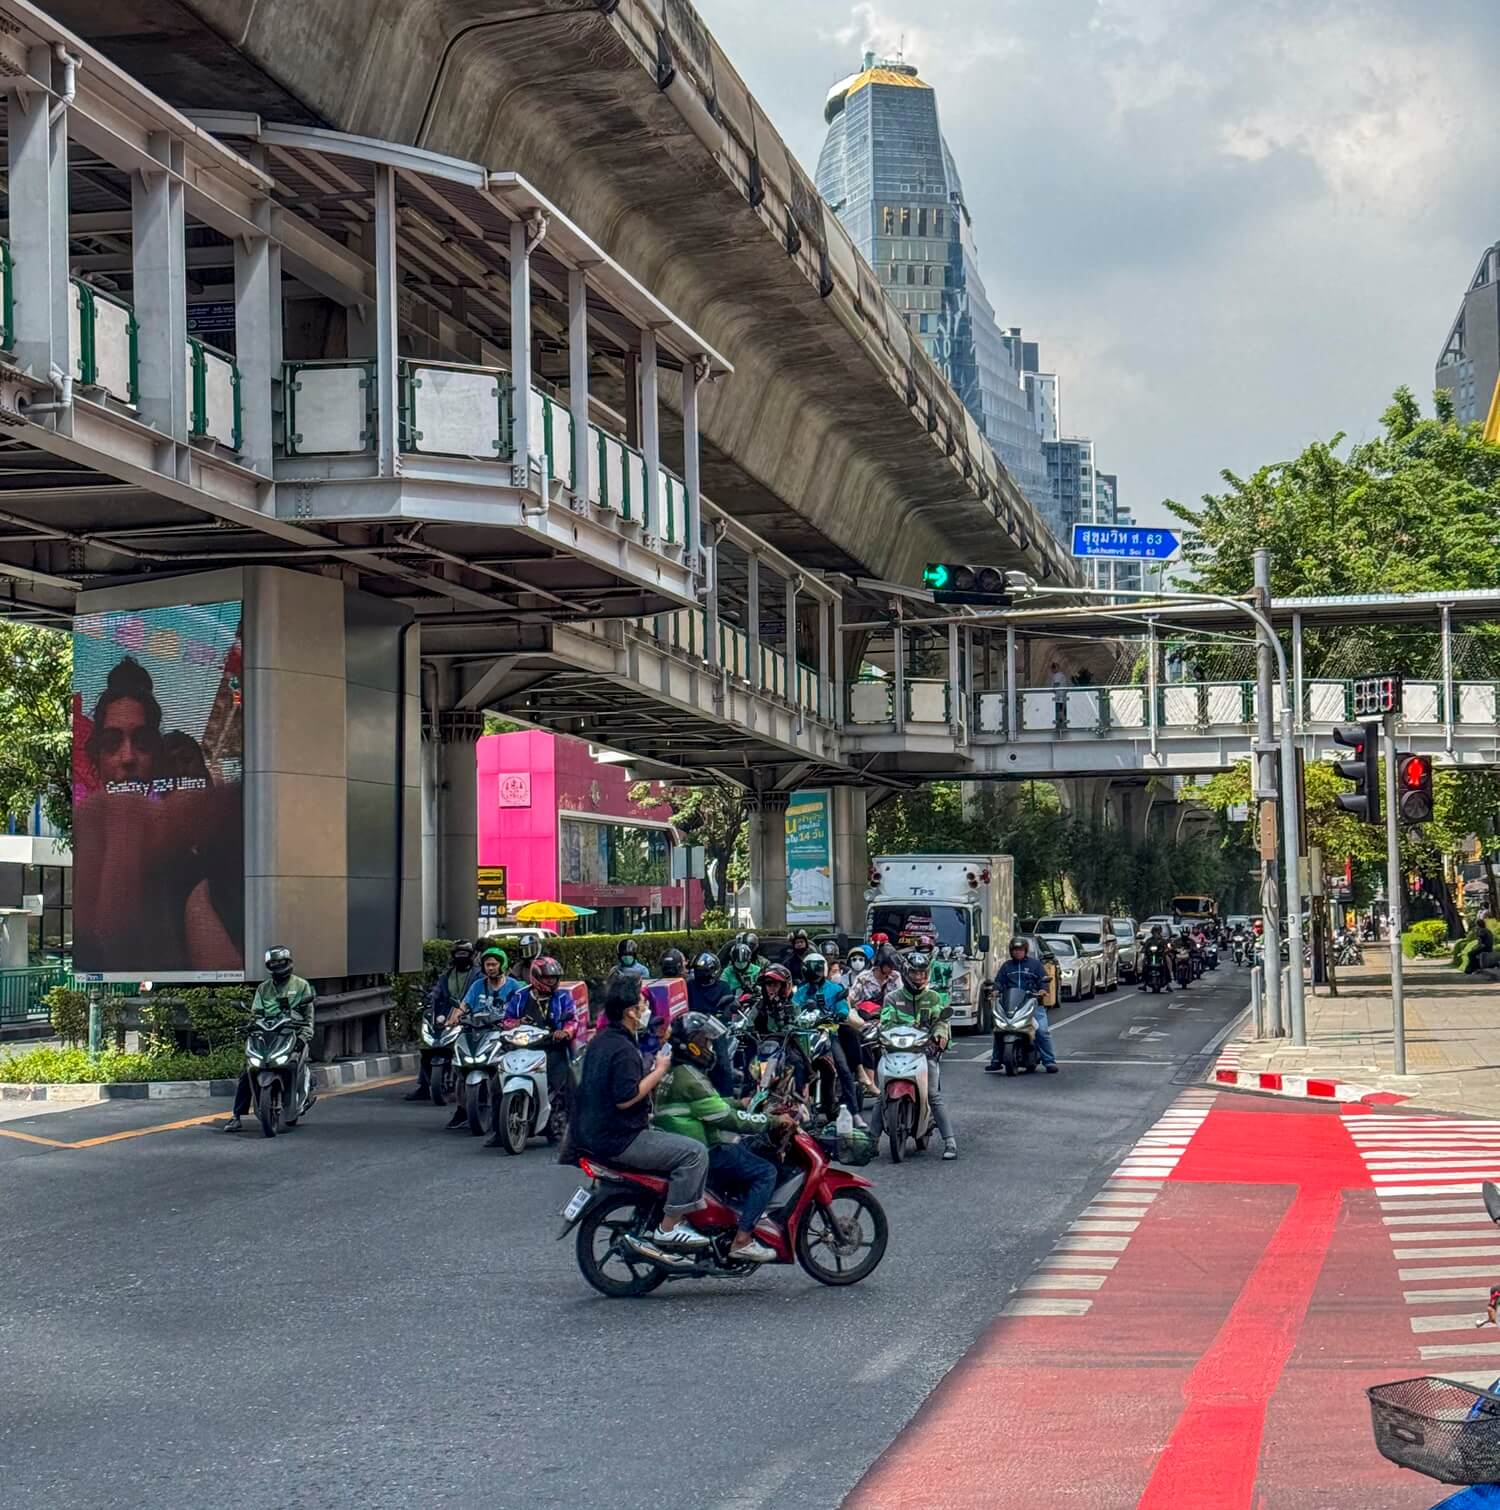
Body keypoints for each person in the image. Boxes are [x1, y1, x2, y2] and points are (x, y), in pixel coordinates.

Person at [573, 975, 710, 1249]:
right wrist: (659, 1071)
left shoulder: (603, 1040)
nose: (647, 1007)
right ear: (630, 1012)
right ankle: (670, 1226)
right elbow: (625, 1099)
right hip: (620, 1139)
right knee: (695, 1153)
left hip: (597, 1132)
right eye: (642, 1003)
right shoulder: (622, 1049)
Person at [654, 1012, 784, 1262]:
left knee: (743, 1154)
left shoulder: (676, 1071)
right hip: (703, 1149)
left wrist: (739, 1102)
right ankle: (742, 1240)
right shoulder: (691, 1078)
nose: (710, 1046)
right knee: (765, 1171)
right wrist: (772, 1121)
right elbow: (727, 1120)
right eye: (705, 1041)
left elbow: (706, 1106)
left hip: (681, 1143)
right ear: (692, 1044)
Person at [869, 951, 957, 1160]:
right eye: (915, 973)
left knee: (933, 1095)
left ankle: (950, 1141)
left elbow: (941, 1021)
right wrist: (878, 1035)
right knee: (882, 1096)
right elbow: (886, 1022)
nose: (918, 977)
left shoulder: (933, 997)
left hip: (925, 1052)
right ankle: (871, 1142)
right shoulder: (893, 998)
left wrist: (940, 1035)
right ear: (907, 973)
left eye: (922, 973)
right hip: (896, 1051)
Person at [222, 947, 315, 1133]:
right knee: (247, 1071)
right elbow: (255, 1014)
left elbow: (309, 1019)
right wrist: (249, 1025)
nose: (278, 966)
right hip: (268, 1035)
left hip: (291, 1034)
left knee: (295, 1063)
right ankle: (236, 1116)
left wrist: (303, 1037)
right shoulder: (263, 988)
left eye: (280, 962)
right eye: (273, 964)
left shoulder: (301, 986)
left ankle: (299, 1099)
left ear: (288, 963)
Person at [494, 956, 578, 1147]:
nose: (552, 981)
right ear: (536, 977)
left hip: (552, 1048)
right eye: (548, 978)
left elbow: (572, 1020)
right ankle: (499, 1132)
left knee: (564, 1084)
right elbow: (506, 1020)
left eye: (554, 978)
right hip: (522, 1047)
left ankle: (561, 1127)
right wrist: (517, 1023)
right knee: (496, 1086)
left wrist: (564, 1031)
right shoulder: (521, 996)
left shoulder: (563, 997)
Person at [444, 947, 521, 1128]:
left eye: (494, 964)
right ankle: (462, 1109)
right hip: (475, 1031)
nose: (490, 968)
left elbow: (521, 1007)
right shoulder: (477, 985)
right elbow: (464, 1005)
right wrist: (453, 1019)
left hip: (501, 1034)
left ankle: (508, 1106)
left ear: (502, 965)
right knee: (461, 1068)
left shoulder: (513, 986)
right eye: (487, 965)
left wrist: (515, 1022)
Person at [792, 952, 864, 1123]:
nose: (814, 974)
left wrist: (839, 1014)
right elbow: (793, 1009)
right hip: (804, 1036)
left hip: (827, 1035)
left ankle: (854, 1113)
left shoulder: (835, 988)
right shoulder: (800, 992)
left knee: (843, 1069)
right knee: (792, 1067)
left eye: (817, 970)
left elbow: (843, 1008)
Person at [405, 939, 477, 1102]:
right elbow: (436, 992)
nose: (461, 957)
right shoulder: (446, 976)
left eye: (465, 954)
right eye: (458, 954)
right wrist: (430, 1000)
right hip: (446, 1016)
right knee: (427, 1048)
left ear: (471, 956)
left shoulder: (478, 976)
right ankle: (424, 1086)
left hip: (470, 1018)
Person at [989, 937, 1056, 1073]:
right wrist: (995, 990)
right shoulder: (1006, 966)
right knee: (999, 1029)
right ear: (1011, 951)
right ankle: (995, 1060)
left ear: (1025, 950)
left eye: (1020, 950)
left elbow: (1043, 980)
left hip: (1033, 1003)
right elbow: (999, 982)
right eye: (1015, 950)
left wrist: (1043, 990)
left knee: (1042, 1031)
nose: (1017, 952)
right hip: (1012, 1004)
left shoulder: (1035, 965)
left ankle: (1049, 1061)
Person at [686, 950, 737, 1095]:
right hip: (692, 1029)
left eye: (704, 971)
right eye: (698, 971)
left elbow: (728, 1009)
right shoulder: (690, 986)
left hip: (715, 1029)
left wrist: (727, 1011)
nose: (701, 974)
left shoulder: (723, 987)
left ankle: (728, 1097)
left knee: (722, 1064)